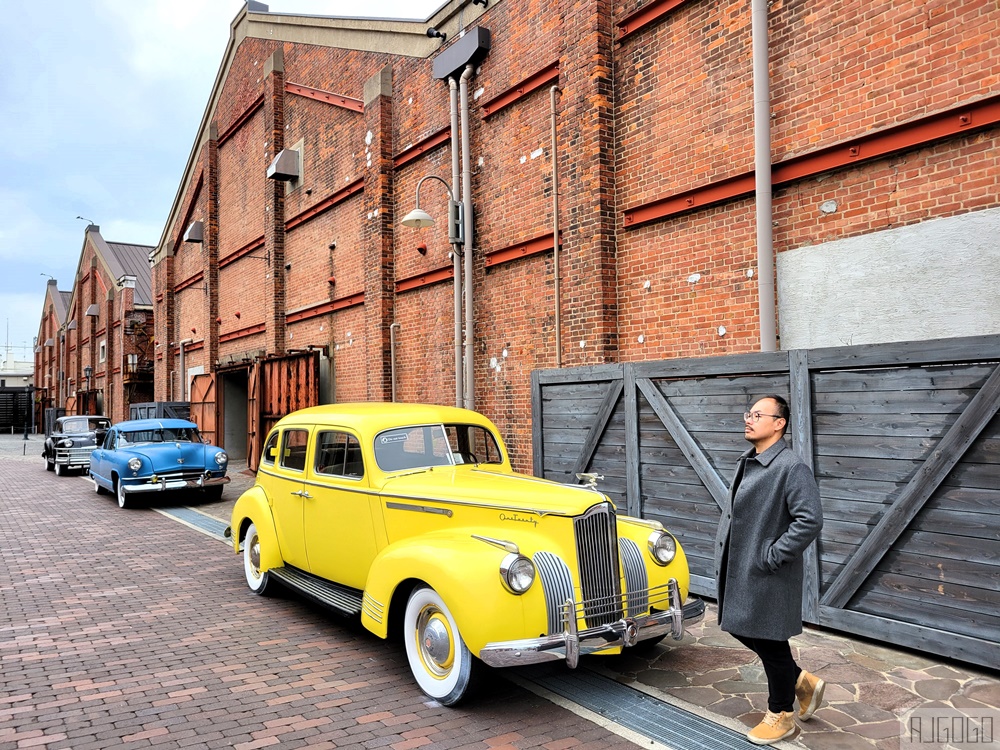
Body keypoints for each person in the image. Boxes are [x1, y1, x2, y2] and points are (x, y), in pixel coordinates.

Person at [714, 394, 826, 745]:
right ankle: (801, 681)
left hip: (767, 572)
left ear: (779, 423)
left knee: (772, 644)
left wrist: (773, 555)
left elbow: (810, 520)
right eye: (748, 413)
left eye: (758, 414)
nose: (749, 419)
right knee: (737, 624)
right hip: (744, 566)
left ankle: (782, 715)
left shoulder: (790, 467)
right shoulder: (750, 460)